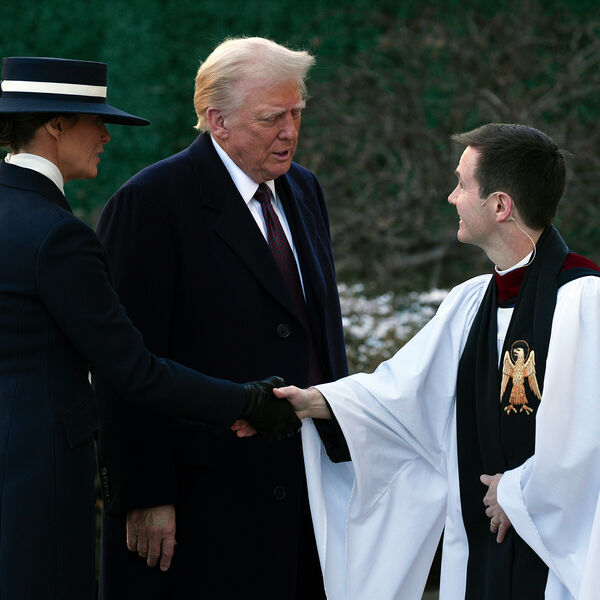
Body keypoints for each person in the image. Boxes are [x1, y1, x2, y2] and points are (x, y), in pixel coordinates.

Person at [0, 56, 298, 600]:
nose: (106, 138)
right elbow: (133, 370)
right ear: (57, 125)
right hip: (36, 478)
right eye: (97, 122)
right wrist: (249, 401)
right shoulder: (58, 235)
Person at [276, 124, 600, 599]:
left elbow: (587, 439)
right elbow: (400, 394)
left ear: (500, 206)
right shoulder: (469, 303)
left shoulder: (585, 302)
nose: (452, 197)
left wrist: (517, 493)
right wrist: (315, 401)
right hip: (482, 557)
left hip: (553, 565)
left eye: (462, 184)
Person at [93, 37, 348, 599]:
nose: (289, 131)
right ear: (217, 121)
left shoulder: (304, 188)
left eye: (297, 113)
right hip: (201, 501)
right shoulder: (151, 203)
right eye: (271, 118)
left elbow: (318, 333)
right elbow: (123, 364)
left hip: (305, 488)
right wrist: (144, 493)